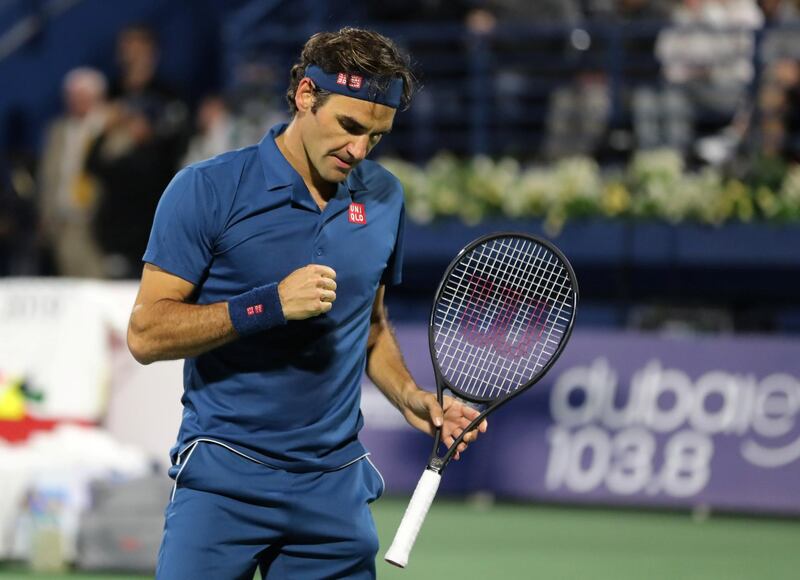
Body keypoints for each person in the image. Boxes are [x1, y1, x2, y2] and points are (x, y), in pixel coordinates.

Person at [127, 27, 487, 579]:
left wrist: (411, 397)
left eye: (376, 136)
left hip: (334, 489)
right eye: (348, 126)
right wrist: (267, 305)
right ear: (304, 96)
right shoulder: (205, 190)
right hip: (225, 478)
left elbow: (368, 326)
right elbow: (146, 334)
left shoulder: (385, 197)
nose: (358, 151)